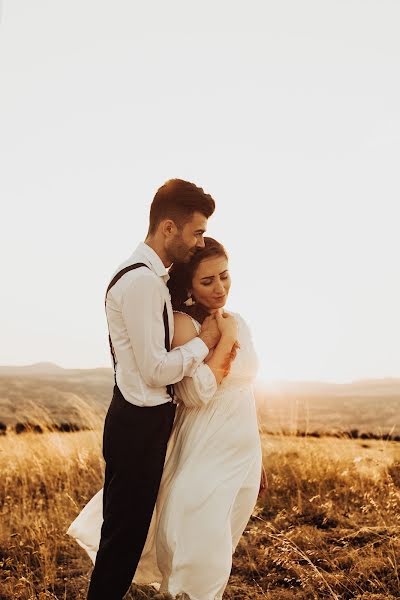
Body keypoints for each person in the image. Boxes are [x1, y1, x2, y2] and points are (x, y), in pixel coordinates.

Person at [68, 236, 265, 599]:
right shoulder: (183, 326)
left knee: (221, 547)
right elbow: (192, 394)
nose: (220, 287)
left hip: (242, 452)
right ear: (188, 285)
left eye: (225, 276)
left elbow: (245, 390)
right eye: (207, 281)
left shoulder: (236, 320)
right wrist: (222, 342)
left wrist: (258, 453)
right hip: (203, 446)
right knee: (198, 550)